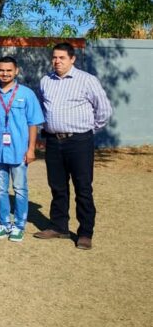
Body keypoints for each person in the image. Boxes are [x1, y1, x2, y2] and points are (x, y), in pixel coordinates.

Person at [36, 42, 112, 250]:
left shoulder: (87, 80)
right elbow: (43, 108)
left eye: (61, 58)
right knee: (57, 186)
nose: (57, 61)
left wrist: (87, 132)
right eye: (54, 57)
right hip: (53, 141)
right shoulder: (45, 81)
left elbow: (104, 111)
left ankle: (85, 232)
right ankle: (59, 226)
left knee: (83, 187)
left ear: (72, 59)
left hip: (79, 141)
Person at [0, 56, 44, 243]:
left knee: (19, 189)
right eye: (1, 70)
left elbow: (33, 123)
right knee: (0, 189)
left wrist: (31, 149)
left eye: (9, 70)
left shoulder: (26, 94)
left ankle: (19, 225)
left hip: (19, 151)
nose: (5, 73)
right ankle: (3, 223)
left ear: (16, 71)